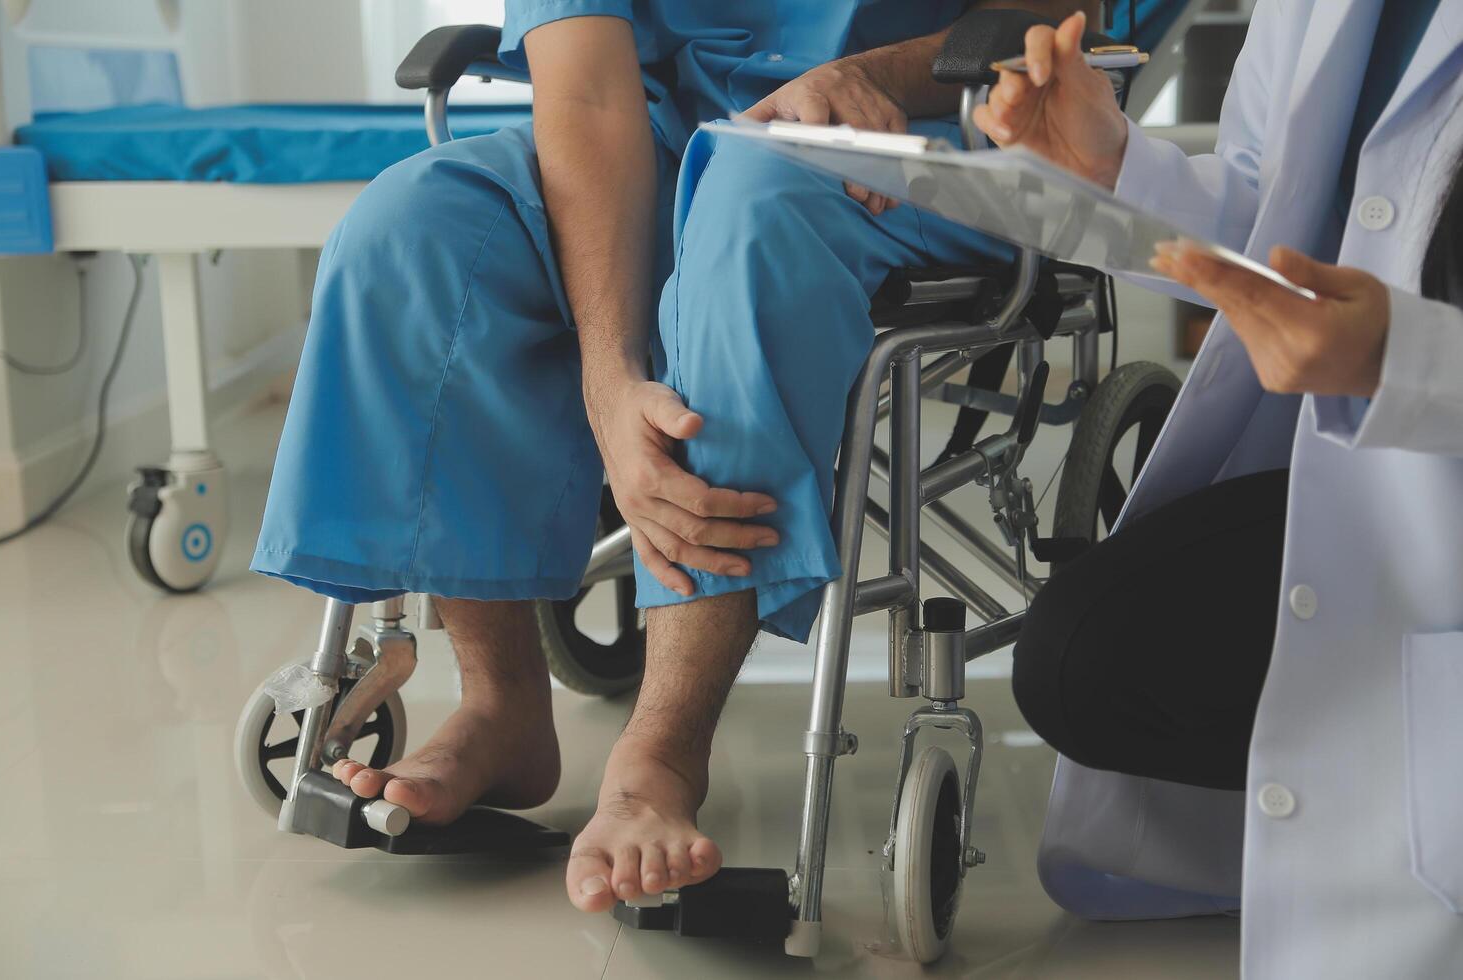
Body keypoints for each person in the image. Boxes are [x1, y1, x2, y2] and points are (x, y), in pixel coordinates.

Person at [254, 0, 1170, 913]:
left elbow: (1067, 13)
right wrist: (609, 385)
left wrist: (876, 73)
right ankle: (502, 709)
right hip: (673, 139)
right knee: (411, 230)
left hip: (935, 136)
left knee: (748, 210)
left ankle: (661, 751)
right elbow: (587, 88)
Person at [977, 4, 1463, 976]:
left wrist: (1411, 362)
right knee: (1088, 659)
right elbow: (1272, 217)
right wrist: (1116, 165)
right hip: (1393, 467)